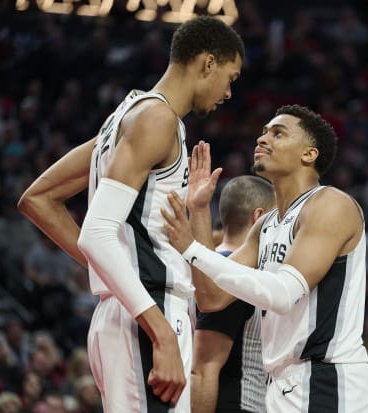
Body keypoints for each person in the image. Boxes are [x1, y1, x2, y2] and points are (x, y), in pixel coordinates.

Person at [17, 15, 245, 412]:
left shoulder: (121, 119)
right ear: (207, 63)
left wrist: (116, 270)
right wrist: (161, 333)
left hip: (130, 311)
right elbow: (96, 232)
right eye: (230, 77)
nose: (228, 92)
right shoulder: (157, 120)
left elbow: (39, 198)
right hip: (148, 315)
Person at [162, 105, 368, 412]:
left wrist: (193, 249)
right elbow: (211, 298)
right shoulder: (265, 226)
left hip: (328, 381)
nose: (263, 139)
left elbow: (284, 293)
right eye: (264, 132)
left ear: (309, 154)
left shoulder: (330, 204)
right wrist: (199, 211)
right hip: (281, 386)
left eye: (278, 133)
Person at [193, 175, 275, 413]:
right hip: (238, 404)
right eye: (277, 217)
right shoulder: (233, 274)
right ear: (259, 217)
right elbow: (203, 368)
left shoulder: (211, 267)